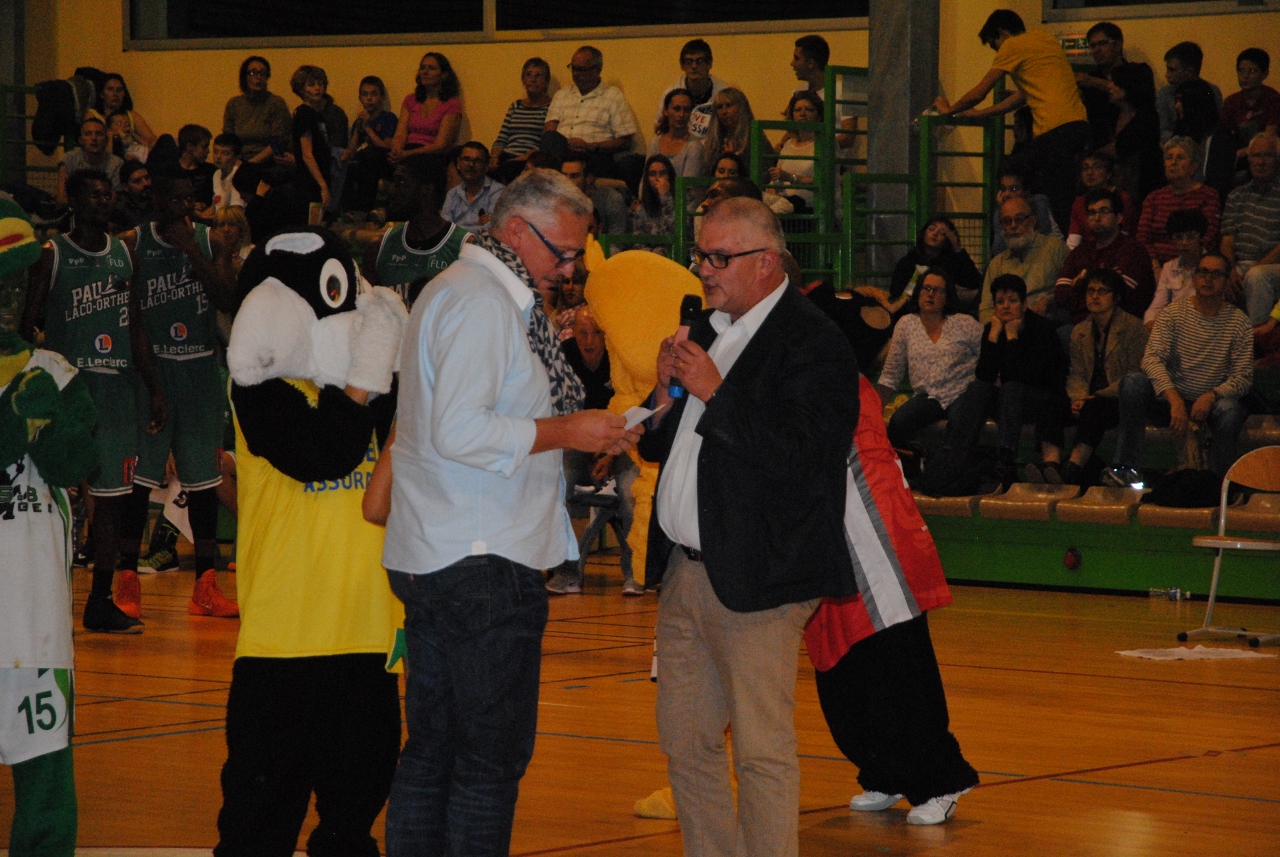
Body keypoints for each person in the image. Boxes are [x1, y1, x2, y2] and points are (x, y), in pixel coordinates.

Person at [381, 168, 640, 855]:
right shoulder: (482, 302)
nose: (572, 267)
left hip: (445, 550)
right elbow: (459, 429)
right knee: (485, 764)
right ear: (517, 230)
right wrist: (568, 430)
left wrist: (581, 431)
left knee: (434, 752)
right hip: (480, 560)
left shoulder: (468, 291)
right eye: (564, 251)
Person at [639, 197, 858, 857]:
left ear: (767, 261)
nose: (703, 269)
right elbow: (660, 447)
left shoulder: (814, 342)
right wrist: (661, 396)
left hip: (763, 576)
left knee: (761, 751)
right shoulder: (707, 329)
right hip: (685, 572)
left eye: (718, 257)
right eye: (700, 254)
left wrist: (715, 390)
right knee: (686, 742)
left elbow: (803, 457)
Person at [806, 373, 979, 827]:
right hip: (827, 545)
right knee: (841, 677)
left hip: (876, 537)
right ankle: (885, 771)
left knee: (897, 670)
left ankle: (941, 780)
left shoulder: (839, 380)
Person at [20, 169, 166, 634]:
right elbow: (27, 323)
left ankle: (100, 601)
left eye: (108, 195)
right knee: (51, 494)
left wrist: (154, 387)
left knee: (113, 501)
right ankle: (39, 596)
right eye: (94, 195)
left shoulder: (124, 254)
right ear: (74, 200)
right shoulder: (52, 254)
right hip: (68, 389)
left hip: (117, 389)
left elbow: (136, 326)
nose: (103, 202)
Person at [116, 173, 239, 618]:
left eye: (191, 199)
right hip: (154, 370)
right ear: (155, 198)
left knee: (204, 482)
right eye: (176, 198)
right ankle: (127, 577)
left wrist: (191, 250)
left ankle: (205, 585)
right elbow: (131, 319)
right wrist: (152, 386)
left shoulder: (210, 241)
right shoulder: (132, 244)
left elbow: (226, 299)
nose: (185, 207)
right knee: (140, 482)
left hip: (201, 370)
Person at [0, 326, 97, 857]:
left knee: (45, 774)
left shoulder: (54, 372)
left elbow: (77, 463)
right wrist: (14, 421)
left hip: (33, 614)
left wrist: (47, 426)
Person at [934, 9, 1089, 233]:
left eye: (994, 44)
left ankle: (1019, 225)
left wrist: (949, 110)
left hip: (1055, 129)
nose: (997, 51)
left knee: (1010, 169)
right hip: (1078, 126)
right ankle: (1065, 239)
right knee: (1058, 194)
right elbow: (1023, 96)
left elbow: (980, 91)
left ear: (1002, 32)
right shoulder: (1045, 39)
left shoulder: (1012, 45)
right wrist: (982, 113)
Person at [1104, 253, 1252, 485]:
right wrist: (1173, 399)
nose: (1208, 279)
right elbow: (1151, 359)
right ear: (1194, 278)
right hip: (1170, 398)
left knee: (1231, 411)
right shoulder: (1172, 313)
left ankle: (1217, 483)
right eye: (1203, 272)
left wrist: (1212, 395)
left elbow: (1243, 376)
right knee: (1133, 382)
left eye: (1216, 274)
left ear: (1226, 281)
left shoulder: (1239, 322)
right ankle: (1127, 468)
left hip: (1211, 401)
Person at [546, 305, 644, 596]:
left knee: (630, 489)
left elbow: (634, 411)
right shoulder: (563, 356)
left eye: (596, 333)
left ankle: (636, 572)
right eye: (583, 333)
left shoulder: (620, 357)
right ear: (573, 333)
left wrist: (610, 453)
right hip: (578, 441)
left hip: (621, 443)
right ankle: (566, 571)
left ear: (606, 335)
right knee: (559, 482)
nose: (589, 341)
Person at [949, 273, 1069, 485]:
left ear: (1024, 304)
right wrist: (993, 337)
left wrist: (1013, 338)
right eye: (1000, 302)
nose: (1005, 306)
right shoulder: (992, 328)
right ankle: (960, 455)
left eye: (1012, 301)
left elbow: (1028, 377)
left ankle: (1005, 460)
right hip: (1008, 400)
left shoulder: (1042, 329)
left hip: (1040, 401)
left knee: (1012, 388)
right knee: (977, 388)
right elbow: (984, 376)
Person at [876, 267, 982, 451]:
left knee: (959, 426)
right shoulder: (906, 324)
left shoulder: (965, 323)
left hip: (962, 393)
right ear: (918, 292)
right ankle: (915, 461)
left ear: (947, 296)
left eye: (938, 290)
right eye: (926, 288)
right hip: (929, 396)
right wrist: (875, 411)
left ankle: (950, 467)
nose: (930, 294)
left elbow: (989, 356)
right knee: (899, 422)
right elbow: (891, 374)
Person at [1059, 269, 1148, 486]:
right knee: (1051, 405)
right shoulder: (1079, 331)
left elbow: (1134, 375)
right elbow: (1077, 373)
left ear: (1116, 297)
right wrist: (1078, 398)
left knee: (1094, 409)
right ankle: (1050, 466)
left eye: (1102, 291)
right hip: (1086, 398)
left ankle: (1072, 468)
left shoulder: (1134, 328)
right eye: (1090, 290)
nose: (1094, 296)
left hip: (1117, 399)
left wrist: (1095, 396)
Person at [365, 155, 467, 308]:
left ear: (427, 189)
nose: (392, 190)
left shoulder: (464, 248)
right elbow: (366, 312)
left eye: (401, 182)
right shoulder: (379, 247)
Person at [1054, 188, 1156, 325]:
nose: (1097, 218)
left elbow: (1119, 297)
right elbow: (1060, 293)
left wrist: (1079, 283)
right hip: (1080, 324)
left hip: (1120, 325)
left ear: (1119, 218)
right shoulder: (1080, 251)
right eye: (1092, 212)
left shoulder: (1133, 250)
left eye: (1104, 211)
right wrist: (1100, 291)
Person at [541, 46, 640, 181]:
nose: (576, 74)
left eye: (582, 69)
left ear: (597, 70)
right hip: (563, 154)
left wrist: (590, 146)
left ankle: (561, 179)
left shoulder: (613, 96)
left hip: (593, 156)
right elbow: (549, 131)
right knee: (550, 138)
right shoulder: (562, 94)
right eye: (574, 68)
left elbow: (625, 142)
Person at [1136, 137, 1221, 271]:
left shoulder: (1208, 195)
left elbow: (1208, 236)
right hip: (1155, 266)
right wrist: (1155, 266)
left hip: (1192, 264)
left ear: (1194, 166)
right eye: (1169, 158)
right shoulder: (1154, 198)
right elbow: (1142, 237)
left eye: (1180, 158)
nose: (1173, 162)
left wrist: (1181, 264)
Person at [1221, 133, 1280, 326]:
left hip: (1272, 266)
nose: (1261, 162)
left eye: (1267, 155)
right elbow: (1227, 239)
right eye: (1256, 155)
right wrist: (1230, 270)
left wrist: (1256, 267)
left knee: (1257, 276)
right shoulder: (1237, 195)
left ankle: (1256, 339)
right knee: (1212, 274)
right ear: (1249, 160)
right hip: (1239, 265)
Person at [979, 196, 1068, 324]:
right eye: (1007, 221)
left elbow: (1070, 290)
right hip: (1006, 328)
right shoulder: (996, 263)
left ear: (1033, 220)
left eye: (1019, 219)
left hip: (1045, 325)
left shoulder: (1055, 249)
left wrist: (1049, 302)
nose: (1013, 226)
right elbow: (986, 310)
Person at [1074, 23, 1155, 153]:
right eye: (1093, 46)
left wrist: (1093, 82)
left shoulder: (1138, 71)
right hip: (1098, 150)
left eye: (1102, 44)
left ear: (1118, 45)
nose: (1096, 50)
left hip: (1136, 148)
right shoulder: (1089, 80)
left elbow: (1138, 96)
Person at [887, 216, 983, 316]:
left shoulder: (949, 262)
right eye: (931, 229)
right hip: (911, 313)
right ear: (924, 233)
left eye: (942, 233)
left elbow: (974, 282)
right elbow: (895, 292)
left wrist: (957, 248)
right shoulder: (909, 261)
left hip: (944, 314)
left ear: (947, 240)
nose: (935, 233)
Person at [1097, 61, 1164, 203]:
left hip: (1141, 185)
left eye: (1114, 83)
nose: (1109, 86)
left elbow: (1121, 148)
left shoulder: (1147, 117)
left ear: (1129, 86)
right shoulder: (1112, 112)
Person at [391, 52, 463, 166]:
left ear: (444, 75)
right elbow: (400, 134)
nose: (425, 72)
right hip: (407, 148)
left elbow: (441, 145)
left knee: (416, 165)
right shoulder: (411, 100)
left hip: (431, 154)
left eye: (431, 68)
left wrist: (407, 154)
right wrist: (397, 151)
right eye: (422, 68)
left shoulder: (451, 104)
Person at [222, 56, 293, 171]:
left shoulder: (276, 103)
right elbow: (228, 139)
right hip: (239, 161)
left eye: (263, 73)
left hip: (268, 162)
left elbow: (278, 141)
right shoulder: (234, 104)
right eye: (253, 73)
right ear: (244, 77)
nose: (258, 77)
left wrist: (250, 164)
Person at [341, 75, 398, 214]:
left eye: (374, 94)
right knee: (346, 165)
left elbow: (387, 146)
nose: (369, 98)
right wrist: (358, 129)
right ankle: (345, 211)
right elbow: (352, 151)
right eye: (365, 94)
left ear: (382, 97)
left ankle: (363, 210)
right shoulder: (359, 121)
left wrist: (367, 128)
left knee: (368, 158)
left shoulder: (388, 118)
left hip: (380, 162)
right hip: (361, 160)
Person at [491, 58, 552, 184]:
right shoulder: (516, 106)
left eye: (539, 75)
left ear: (546, 81)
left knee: (507, 170)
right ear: (523, 80)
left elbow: (546, 144)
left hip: (529, 159)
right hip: (506, 156)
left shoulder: (551, 107)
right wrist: (494, 157)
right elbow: (502, 138)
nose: (533, 79)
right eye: (529, 74)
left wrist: (521, 158)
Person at [653, 39, 729, 141]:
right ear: (682, 65)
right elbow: (660, 128)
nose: (694, 66)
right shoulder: (671, 94)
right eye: (689, 62)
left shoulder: (724, 93)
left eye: (700, 61)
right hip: (681, 146)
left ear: (709, 63)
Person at [1146, 208, 1209, 327]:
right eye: (1179, 237)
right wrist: (1150, 322)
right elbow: (1157, 305)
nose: (1184, 243)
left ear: (1201, 237)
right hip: (1174, 325)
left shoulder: (1211, 266)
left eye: (1190, 237)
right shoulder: (1169, 267)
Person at [1066, 152, 1138, 250]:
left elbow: (1125, 233)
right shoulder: (1079, 203)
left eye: (1097, 167)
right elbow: (1074, 240)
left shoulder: (1123, 198)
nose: (1089, 172)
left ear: (1108, 174)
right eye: (1085, 168)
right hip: (1088, 252)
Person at [1158, 42, 1223, 144]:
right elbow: (1161, 131)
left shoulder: (1211, 91)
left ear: (1190, 71)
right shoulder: (1164, 94)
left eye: (1172, 70)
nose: (1167, 75)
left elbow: (1214, 129)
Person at [989, 163, 1062, 255]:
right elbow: (998, 249)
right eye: (1003, 189)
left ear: (1026, 191)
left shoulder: (1038, 202)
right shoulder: (999, 213)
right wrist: (1003, 212)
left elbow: (1041, 234)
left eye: (1014, 189)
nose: (1007, 194)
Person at [1221, 49, 1280, 161]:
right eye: (1241, 70)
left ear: (1264, 74)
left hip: (1266, 156)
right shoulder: (1231, 101)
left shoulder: (1273, 99)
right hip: (1237, 157)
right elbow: (1224, 135)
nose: (1245, 76)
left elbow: (1270, 136)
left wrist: (1247, 150)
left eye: (1252, 71)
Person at [767, 91, 822, 211]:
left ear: (819, 116)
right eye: (797, 110)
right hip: (784, 205)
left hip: (811, 209)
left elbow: (826, 183)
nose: (803, 114)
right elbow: (776, 178)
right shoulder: (788, 144)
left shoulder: (824, 144)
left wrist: (791, 177)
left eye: (809, 110)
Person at [290, 65, 332, 217]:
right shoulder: (304, 114)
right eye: (312, 84)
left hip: (319, 175)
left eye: (320, 84)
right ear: (301, 89)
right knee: (312, 223)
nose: (317, 88)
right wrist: (323, 186)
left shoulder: (316, 114)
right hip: (310, 182)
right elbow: (307, 154)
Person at [441, 142, 504, 235]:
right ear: (458, 163)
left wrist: (455, 228)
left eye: (478, 161)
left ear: (486, 166)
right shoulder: (452, 193)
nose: (471, 164)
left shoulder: (498, 191)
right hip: (455, 243)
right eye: (466, 159)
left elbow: (491, 229)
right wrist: (477, 226)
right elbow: (444, 229)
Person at [703, 87, 771, 173]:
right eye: (719, 107)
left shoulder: (755, 138)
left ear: (741, 107)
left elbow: (765, 171)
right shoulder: (715, 141)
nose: (724, 111)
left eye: (728, 105)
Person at [560, 153, 627, 235]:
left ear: (589, 178)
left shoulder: (611, 199)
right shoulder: (556, 200)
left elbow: (617, 239)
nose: (567, 181)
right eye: (563, 176)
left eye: (574, 176)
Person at [57, 117, 122, 201]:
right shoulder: (70, 159)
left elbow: (114, 198)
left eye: (99, 134)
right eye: (88, 134)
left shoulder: (116, 163)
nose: (94, 138)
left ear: (106, 140)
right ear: (80, 140)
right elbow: (61, 197)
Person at [88, 72, 157, 150]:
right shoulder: (93, 115)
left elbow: (152, 140)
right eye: (110, 89)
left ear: (123, 94)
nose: (115, 94)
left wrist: (133, 134)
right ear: (102, 94)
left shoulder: (132, 116)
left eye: (119, 90)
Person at [651, 88, 706, 179]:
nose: (681, 114)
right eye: (676, 109)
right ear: (666, 111)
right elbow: (645, 180)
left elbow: (688, 185)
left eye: (686, 110)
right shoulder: (655, 143)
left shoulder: (694, 146)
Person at [629, 154, 676, 253]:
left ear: (670, 176)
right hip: (650, 258)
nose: (657, 178)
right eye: (653, 174)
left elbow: (676, 233)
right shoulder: (641, 209)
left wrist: (665, 196)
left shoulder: (683, 202)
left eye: (663, 173)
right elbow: (638, 244)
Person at [176, 124, 218, 212]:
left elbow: (217, 198)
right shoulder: (171, 170)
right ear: (189, 147)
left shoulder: (211, 171)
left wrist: (206, 205)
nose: (208, 151)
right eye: (204, 146)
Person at [110, 160, 154, 231]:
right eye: (137, 181)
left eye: (147, 178)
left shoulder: (158, 201)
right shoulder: (119, 208)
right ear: (126, 186)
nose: (145, 183)